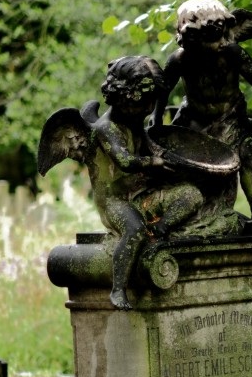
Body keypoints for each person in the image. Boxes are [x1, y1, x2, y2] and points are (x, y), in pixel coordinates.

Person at [151, 0, 252, 222]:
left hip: (231, 115)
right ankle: (183, 209)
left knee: (246, 154)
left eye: (219, 34)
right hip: (195, 117)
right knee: (181, 162)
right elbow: (163, 90)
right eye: (207, 36)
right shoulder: (180, 59)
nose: (216, 43)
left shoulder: (232, 53)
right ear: (190, 35)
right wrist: (156, 118)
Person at [85, 56, 204, 309]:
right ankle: (118, 288)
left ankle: (160, 231)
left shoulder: (133, 122)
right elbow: (125, 161)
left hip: (142, 194)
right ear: (124, 96)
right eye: (145, 101)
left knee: (192, 195)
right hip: (114, 203)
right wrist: (153, 162)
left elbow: (150, 145)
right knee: (135, 230)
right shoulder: (105, 128)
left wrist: (168, 158)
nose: (149, 108)